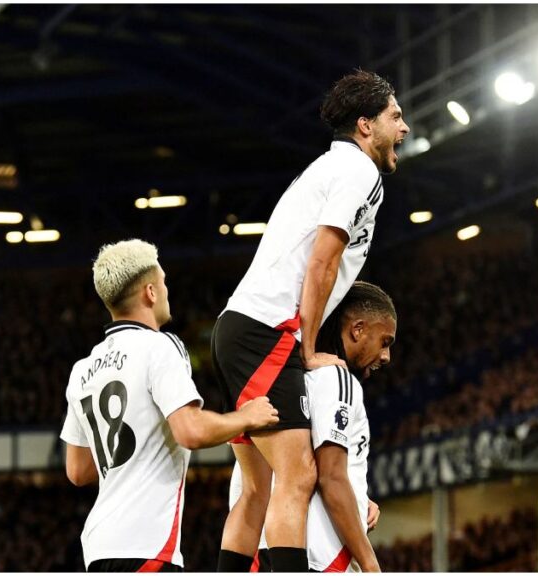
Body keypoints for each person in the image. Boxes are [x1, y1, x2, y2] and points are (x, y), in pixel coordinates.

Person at [213, 69, 409, 572]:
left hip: (240, 325)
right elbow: (324, 259)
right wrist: (305, 345)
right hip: (267, 330)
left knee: (258, 487)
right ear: (365, 125)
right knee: (296, 476)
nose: (404, 128)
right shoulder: (360, 173)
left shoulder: (329, 167)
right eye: (395, 116)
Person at [60, 239, 279, 572]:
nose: (165, 290)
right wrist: (245, 417)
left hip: (98, 547)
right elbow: (190, 431)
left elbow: (78, 471)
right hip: (146, 544)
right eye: (163, 283)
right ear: (150, 292)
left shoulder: (82, 369)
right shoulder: (159, 347)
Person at [306, 281, 395, 572]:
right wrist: (370, 564)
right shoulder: (337, 380)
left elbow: (310, 462)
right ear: (357, 330)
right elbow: (331, 479)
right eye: (385, 341)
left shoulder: (301, 377)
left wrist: (358, 498)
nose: (386, 356)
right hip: (325, 555)